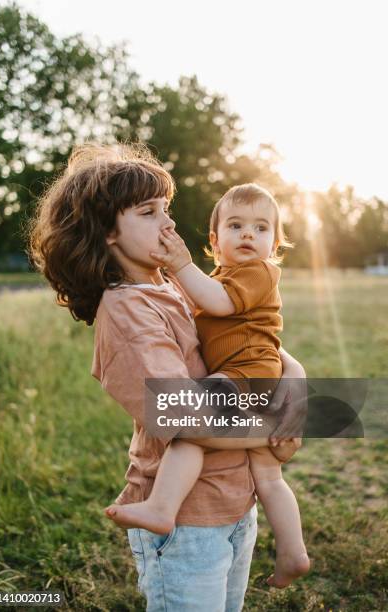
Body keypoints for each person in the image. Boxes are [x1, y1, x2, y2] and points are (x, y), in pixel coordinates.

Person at [30, 143, 307, 611]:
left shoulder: (171, 286)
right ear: (108, 233)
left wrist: (294, 398)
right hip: (188, 523)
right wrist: (274, 425)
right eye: (149, 211)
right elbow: (183, 418)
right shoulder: (127, 310)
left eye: (168, 209)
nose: (170, 224)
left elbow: (257, 348)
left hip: (233, 502)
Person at [105, 183, 310, 588]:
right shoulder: (217, 278)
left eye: (261, 228)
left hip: (242, 376)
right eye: (236, 225)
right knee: (269, 478)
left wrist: (181, 264)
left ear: (276, 243)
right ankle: (293, 552)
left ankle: (163, 505)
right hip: (257, 379)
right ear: (214, 242)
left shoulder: (258, 272)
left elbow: (217, 303)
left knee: (188, 435)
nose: (249, 234)